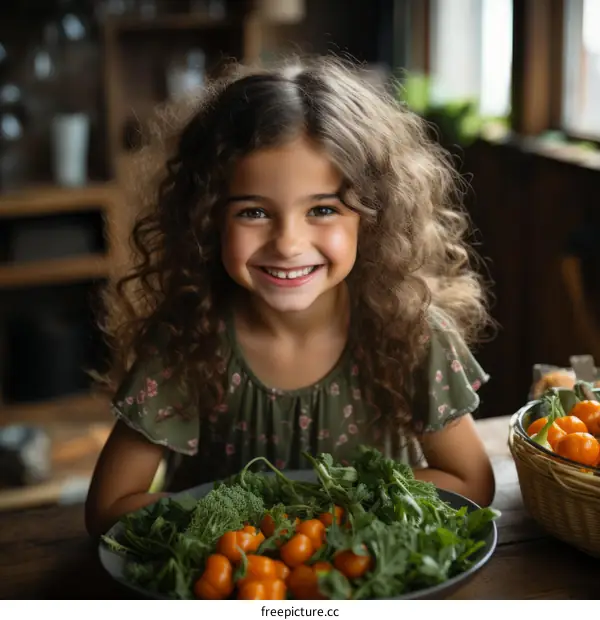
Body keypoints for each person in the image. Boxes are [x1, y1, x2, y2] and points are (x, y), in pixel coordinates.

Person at [84, 55, 496, 537]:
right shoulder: (187, 342)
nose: (288, 243)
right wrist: (260, 519)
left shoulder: (409, 331)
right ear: (206, 219)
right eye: (254, 213)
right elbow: (108, 507)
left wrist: (312, 512)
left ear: (374, 217)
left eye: (321, 209)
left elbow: (472, 482)